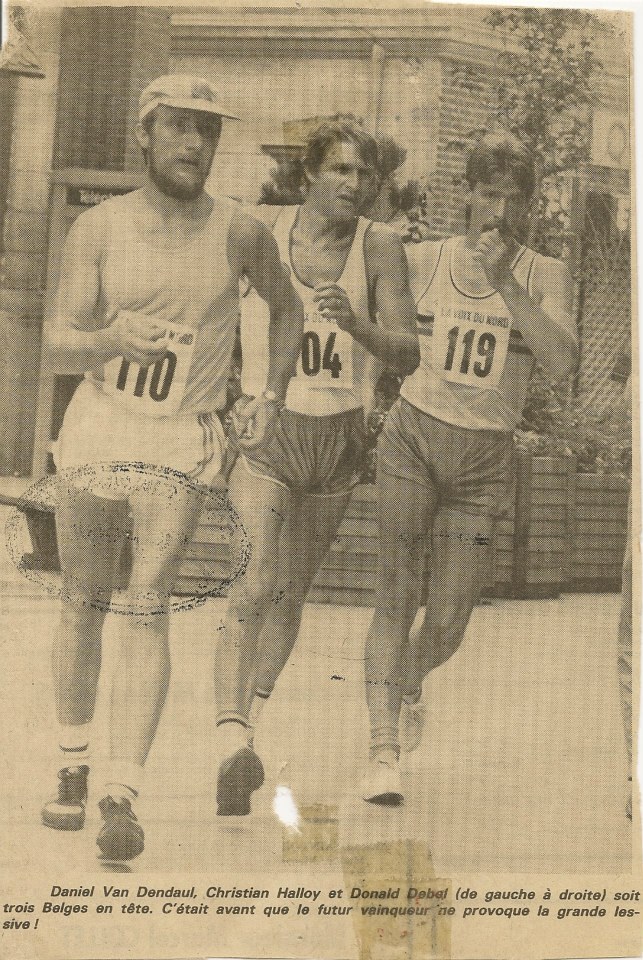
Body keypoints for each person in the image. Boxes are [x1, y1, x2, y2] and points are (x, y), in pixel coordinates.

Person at [40, 74, 304, 859]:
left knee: (147, 602)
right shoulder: (99, 228)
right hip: (98, 425)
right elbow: (56, 340)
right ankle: (71, 764)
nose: (195, 144)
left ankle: (122, 794)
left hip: (180, 437)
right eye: (181, 127)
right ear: (145, 134)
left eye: (208, 131)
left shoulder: (240, 231)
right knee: (83, 600)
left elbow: (287, 306)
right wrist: (108, 341)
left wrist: (270, 392)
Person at [362, 133, 579, 805]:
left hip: (485, 460)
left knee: (451, 617)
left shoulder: (543, 273)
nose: (500, 212)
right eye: (489, 194)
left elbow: (563, 364)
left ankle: (408, 685)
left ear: (529, 206)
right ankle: (381, 749)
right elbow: (382, 334)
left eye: (513, 199)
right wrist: (363, 397)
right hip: (414, 438)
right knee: (396, 593)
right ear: (467, 194)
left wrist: (505, 282)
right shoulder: (425, 259)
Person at [214, 120, 419, 816]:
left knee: (289, 593)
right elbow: (210, 311)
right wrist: (226, 398)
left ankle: (250, 724)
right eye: (340, 170)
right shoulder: (261, 229)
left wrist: (355, 323)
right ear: (308, 175)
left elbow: (407, 352)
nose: (353, 184)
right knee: (252, 581)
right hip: (271, 428)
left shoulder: (378, 246)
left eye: (364, 174)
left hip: (336, 438)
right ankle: (230, 738)